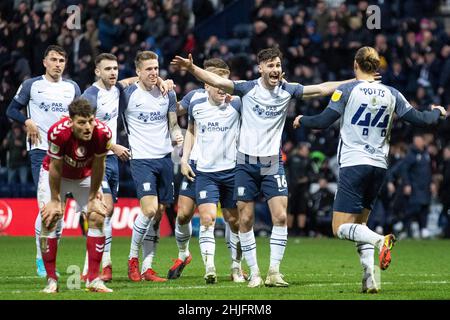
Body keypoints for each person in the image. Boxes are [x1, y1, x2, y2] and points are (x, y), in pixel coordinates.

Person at [171, 47, 355, 288]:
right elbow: (215, 80)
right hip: (245, 163)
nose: (275, 69)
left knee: (280, 216)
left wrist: (355, 80)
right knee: (244, 220)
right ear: (260, 68)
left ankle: (274, 272)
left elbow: (321, 88)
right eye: (270, 65)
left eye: (278, 65)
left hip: (271, 162)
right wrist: (191, 68)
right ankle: (254, 272)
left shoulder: (288, 90)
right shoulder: (247, 89)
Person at [292, 46, 446, 293]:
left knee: (340, 228)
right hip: (379, 167)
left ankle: (380, 240)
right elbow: (419, 119)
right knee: (360, 225)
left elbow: (322, 122)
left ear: (356, 65)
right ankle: (370, 279)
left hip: (354, 164)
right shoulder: (392, 93)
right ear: (377, 67)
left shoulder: (347, 89)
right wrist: (437, 113)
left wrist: (302, 120)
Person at [80, 53, 173, 282]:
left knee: (109, 212)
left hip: (112, 159)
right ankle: (103, 264)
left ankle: (105, 266)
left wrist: (160, 79)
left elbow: (133, 80)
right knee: (103, 210)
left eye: (115, 68)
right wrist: (113, 145)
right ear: (97, 71)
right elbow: (83, 128)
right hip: (95, 158)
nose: (113, 72)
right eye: (108, 69)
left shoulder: (118, 90)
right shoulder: (91, 95)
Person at [168, 58, 246, 281]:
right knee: (184, 214)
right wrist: (183, 156)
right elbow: (175, 114)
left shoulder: (237, 101)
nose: (220, 84)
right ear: (205, 80)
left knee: (234, 221)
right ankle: (186, 255)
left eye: (224, 80)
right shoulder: (195, 99)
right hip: (198, 166)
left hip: (229, 169)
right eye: (213, 78)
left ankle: (236, 266)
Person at [6, 45, 81, 277]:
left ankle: (48, 257)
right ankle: (42, 259)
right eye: (54, 59)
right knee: (48, 207)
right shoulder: (32, 85)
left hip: (67, 154)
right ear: (44, 62)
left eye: (61, 60)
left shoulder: (72, 88)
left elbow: (80, 118)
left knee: (59, 209)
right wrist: (27, 121)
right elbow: (11, 110)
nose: (58, 64)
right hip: (41, 151)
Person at [39, 98, 113, 293]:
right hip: (57, 175)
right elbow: (55, 167)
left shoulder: (103, 134)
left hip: (85, 176)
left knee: (97, 216)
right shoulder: (57, 133)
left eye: (90, 120)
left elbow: (99, 165)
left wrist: (92, 196)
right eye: (81, 122)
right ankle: (51, 281)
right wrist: (55, 200)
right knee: (49, 219)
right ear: (71, 121)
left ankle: (93, 280)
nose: (88, 127)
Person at [123, 51, 183, 282]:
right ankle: (132, 260)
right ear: (138, 71)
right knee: (149, 209)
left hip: (164, 158)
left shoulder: (167, 94)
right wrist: (130, 80)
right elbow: (106, 87)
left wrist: (177, 135)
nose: (154, 73)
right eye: (148, 69)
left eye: (156, 69)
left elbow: (173, 124)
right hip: (141, 159)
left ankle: (148, 268)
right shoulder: (128, 93)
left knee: (158, 213)